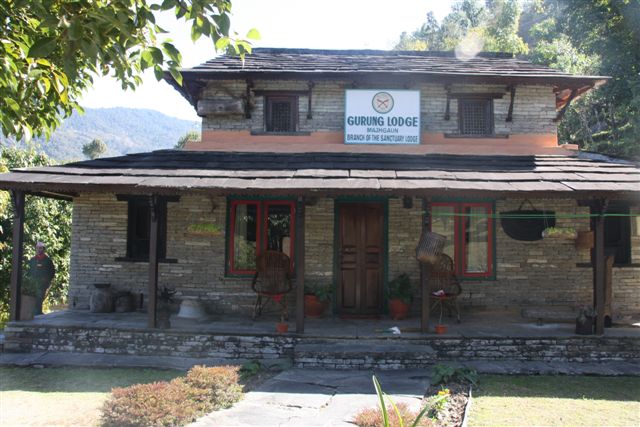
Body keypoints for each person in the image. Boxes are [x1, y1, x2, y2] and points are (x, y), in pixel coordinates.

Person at [27, 241, 55, 315]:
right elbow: (28, 271)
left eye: (40, 248)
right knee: (33, 298)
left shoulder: (48, 261)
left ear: (43, 249)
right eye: (37, 248)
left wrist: (47, 281)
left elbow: (52, 272)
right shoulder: (32, 260)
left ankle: (37, 314)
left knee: (39, 298)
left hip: (43, 284)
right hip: (32, 284)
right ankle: (34, 313)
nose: (39, 249)